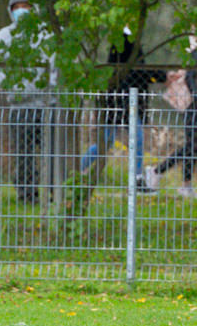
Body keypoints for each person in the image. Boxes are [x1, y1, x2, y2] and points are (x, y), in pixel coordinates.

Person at [0, 0, 58, 204]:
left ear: (34, 8)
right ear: (10, 10)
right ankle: (27, 194)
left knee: (52, 152)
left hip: (47, 105)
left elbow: (56, 68)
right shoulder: (3, 36)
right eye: (16, 7)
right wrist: (11, 89)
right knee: (23, 154)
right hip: (19, 107)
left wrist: (47, 89)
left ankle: (54, 193)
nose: (21, 11)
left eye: (25, 6)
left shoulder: (48, 34)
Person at [80, 28, 163, 193]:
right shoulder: (125, 40)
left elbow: (139, 70)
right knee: (120, 140)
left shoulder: (127, 39)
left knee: (130, 139)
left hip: (121, 101)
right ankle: (78, 170)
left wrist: (159, 75)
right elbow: (138, 69)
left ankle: (137, 179)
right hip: (121, 102)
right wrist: (161, 75)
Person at [144, 60, 197, 198]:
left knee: (192, 147)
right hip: (194, 108)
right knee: (192, 146)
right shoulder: (194, 54)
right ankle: (158, 172)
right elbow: (190, 77)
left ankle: (183, 184)